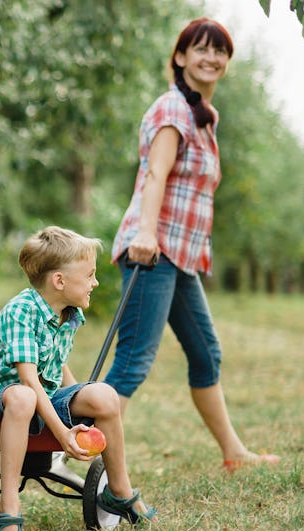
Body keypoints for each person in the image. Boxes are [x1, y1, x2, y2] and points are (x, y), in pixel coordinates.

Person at [104, 17, 279, 473]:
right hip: (152, 251)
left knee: (206, 353)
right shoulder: (172, 109)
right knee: (133, 361)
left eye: (220, 51)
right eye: (201, 49)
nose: (212, 57)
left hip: (180, 258)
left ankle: (234, 454)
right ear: (180, 57)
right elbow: (156, 174)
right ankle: (79, 452)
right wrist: (146, 233)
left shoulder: (204, 117)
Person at [0, 226, 156, 531]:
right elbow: (28, 379)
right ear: (59, 281)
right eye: (89, 275)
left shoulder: (68, 314)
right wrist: (63, 434)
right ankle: (9, 508)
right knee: (24, 395)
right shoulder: (21, 311)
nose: (95, 282)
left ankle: (120, 491)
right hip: (6, 396)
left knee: (104, 394)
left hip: (41, 394)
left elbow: (56, 365)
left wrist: (80, 399)